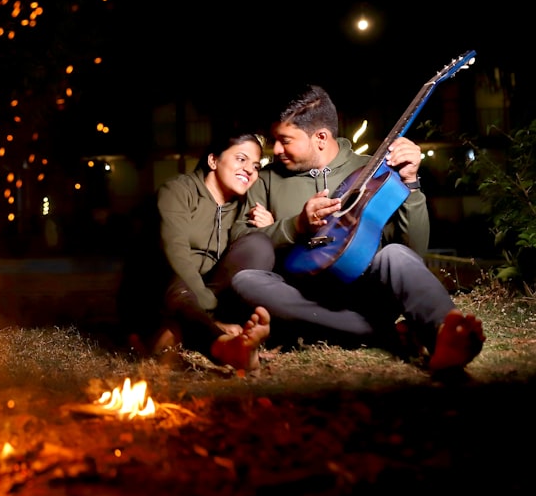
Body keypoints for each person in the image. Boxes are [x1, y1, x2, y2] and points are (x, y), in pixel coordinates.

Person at [229, 84, 485, 376]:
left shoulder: (375, 170)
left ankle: (447, 333)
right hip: (302, 295)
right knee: (246, 280)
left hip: (367, 290)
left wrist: (411, 184)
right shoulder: (266, 180)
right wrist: (293, 226)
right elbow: (240, 243)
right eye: (274, 139)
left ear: (321, 138)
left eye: (284, 140)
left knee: (396, 256)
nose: (274, 150)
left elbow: (412, 250)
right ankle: (380, 335)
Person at [145, 130, 276, 372]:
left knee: (258, 245)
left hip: (207, 294)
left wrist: (271, 226)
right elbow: (175, 253)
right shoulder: (177, 192)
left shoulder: (243, 205)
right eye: (241, 159)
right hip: (170, 290)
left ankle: (183, 332)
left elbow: (250, 258)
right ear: (213, 160)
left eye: (256, 166)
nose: (250, 169)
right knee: (178, 283)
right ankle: (225, 345)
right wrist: (211, 316)